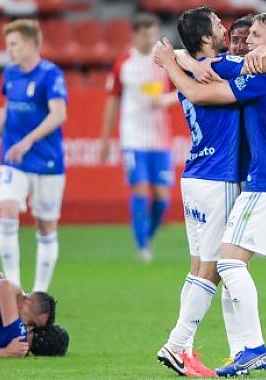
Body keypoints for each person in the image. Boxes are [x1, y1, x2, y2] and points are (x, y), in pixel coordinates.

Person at [152, 7, 266, 377]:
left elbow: (202, 85)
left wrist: (174, 63)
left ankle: (240, 347)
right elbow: (212, 82)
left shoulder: (253, 73)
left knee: (222, 266)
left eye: (253, 37)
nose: (244, 44)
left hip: (236, 180)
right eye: (231, 32)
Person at [0, 19, 68, 292]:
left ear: (32, 44)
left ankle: (39, 293)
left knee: (46, 226)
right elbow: (8, 104)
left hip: (46, 160)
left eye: (14, 44)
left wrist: (27, 141)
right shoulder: (10, 73)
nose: (9, 49)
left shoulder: (50, 74)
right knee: (7, 210)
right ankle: (14, 287)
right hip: (14, 159)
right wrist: (1, 126)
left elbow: (59, 114)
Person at [99, 13, 178, 262]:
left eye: (153, 33)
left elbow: (183, 91)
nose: (149, 38)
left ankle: (148, 236)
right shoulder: (125, 62)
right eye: (145, 34)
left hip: (160, 139)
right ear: (135, 35)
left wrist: (164, 100)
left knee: (162, 201)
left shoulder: (166, 60)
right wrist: (105, 139)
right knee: (141, 192)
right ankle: (142, 247)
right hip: (133, 137)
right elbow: (112, 101)